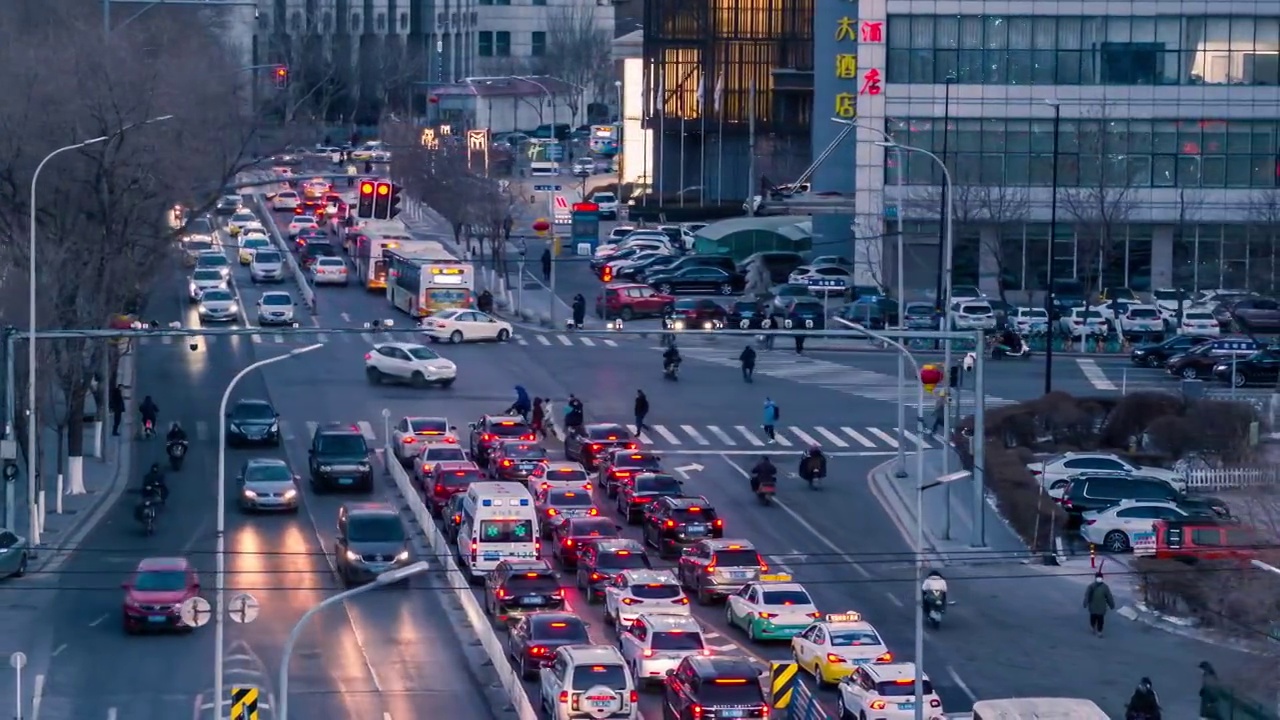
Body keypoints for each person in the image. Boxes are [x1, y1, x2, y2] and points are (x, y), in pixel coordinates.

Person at [1083, 572, 1116, 637]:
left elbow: (1109, 596)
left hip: (1096, 607)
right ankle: (1096, 629)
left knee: (1098, 619)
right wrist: (1111, 605)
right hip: (1098, 607)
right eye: (1098, 577)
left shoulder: (1102, 587)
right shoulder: (1093, 586)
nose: (1099, 578)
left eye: (1100, 577)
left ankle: (1098, 630)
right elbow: (1087, 595)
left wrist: (1085, 603)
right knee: (1096, 619)